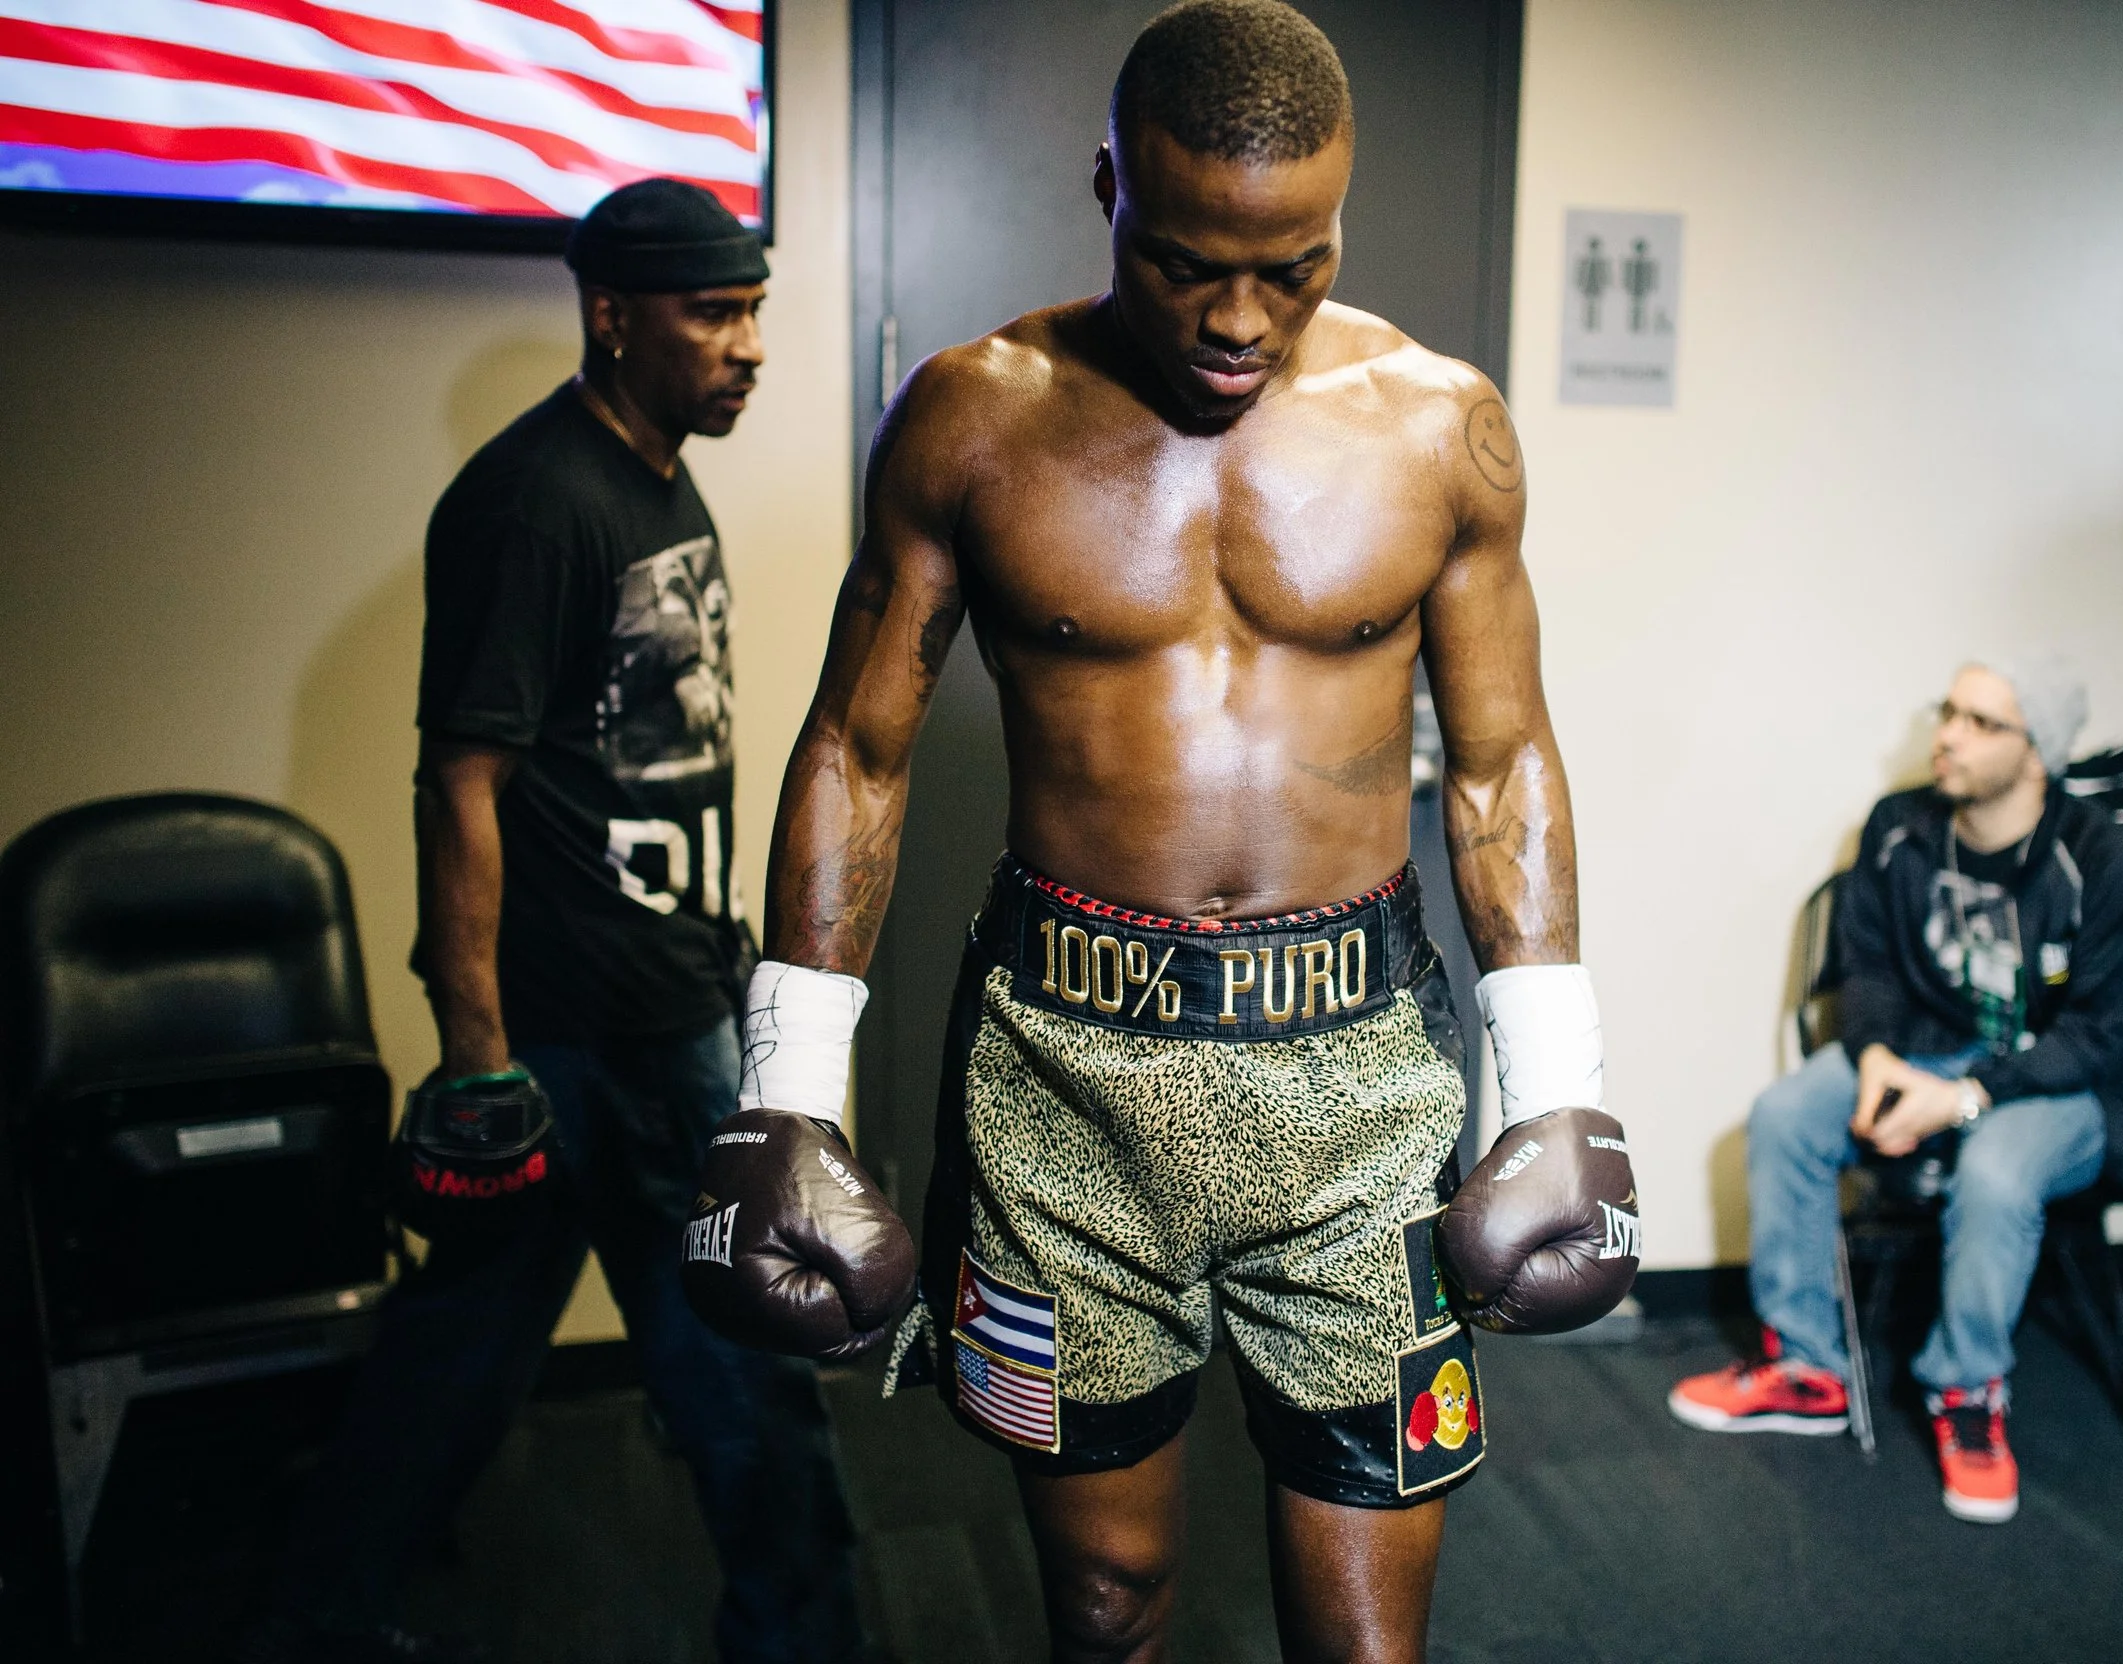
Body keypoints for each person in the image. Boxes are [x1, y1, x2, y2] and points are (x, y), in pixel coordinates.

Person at [669, 5, 1641, 1661]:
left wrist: (1559, 1085)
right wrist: (787, 1092)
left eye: (1296, 264)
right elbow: (859, 743)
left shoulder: (1439, 427)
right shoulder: (973, 415)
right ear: (1110, 182)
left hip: (1359, 1093)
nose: (1241, 318)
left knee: (1365, 1641)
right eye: (1190, 261)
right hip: (1064, 1081)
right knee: (1106, 1606)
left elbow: (1500, 756)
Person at [237, 180, 867, 1664]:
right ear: (611, 316)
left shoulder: (656, 473)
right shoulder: (537, 500)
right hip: (605, 1030)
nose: (749, 346)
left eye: (754, 310)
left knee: (460, 1353)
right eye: (714, 313)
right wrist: (477, 1059)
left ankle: (316, 1613)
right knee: (747, 1356)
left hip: (658, 994)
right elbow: (460, 776)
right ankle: (812, 1641)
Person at [1668, 659, 2123, 1525]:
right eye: (1950, 713)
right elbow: (1868, 969)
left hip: (2070, 1082)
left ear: (2036, 751)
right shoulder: (1900, 827)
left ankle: (1968, 1393)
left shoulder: (2106, 860)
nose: (1948, 735)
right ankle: (1810, 1369)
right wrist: (1873, 1061)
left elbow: (2100, 1034)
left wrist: (1968, 1096)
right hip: (1928, 1052)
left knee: (1999, 1170)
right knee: (1787, 1115)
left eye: (1982, 723)